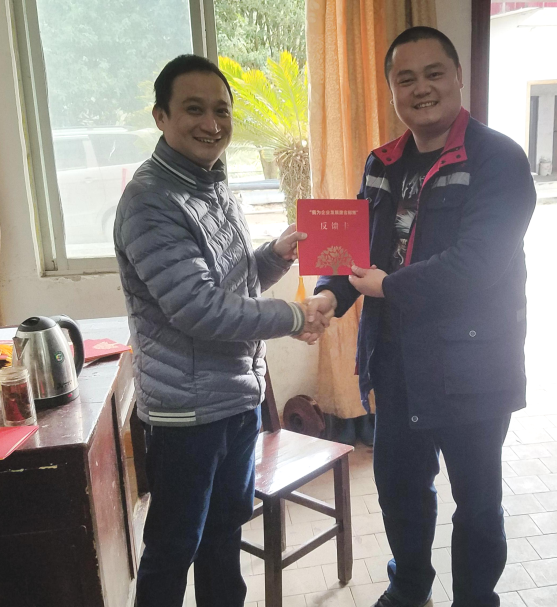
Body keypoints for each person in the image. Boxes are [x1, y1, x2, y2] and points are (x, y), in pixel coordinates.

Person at [306, 26, 537, 607]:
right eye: (405, 79)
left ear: (458, 77)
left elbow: (478, 263)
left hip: (472, 365)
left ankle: (475, 600)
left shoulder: (499, 160)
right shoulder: (382, 162)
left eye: (434, 73)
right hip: (396, 361)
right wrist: (330, 295)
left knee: (477, 502)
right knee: (400, 488)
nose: (421, 88)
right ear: (391, 91)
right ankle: (410, 588)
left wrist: (388, 286)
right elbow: (354, 249)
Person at [114, 54, 330, 607]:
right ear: (161, 116)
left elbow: (232, 282)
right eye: (194, 109)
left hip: (235, 401)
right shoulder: (150, 201)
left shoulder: (215, 188)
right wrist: (295, 317)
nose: (211, 124)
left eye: (221, 110)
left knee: (224, 536)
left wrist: (275, 255)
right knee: (173, 548)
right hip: (187, 415)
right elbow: (199, 308)